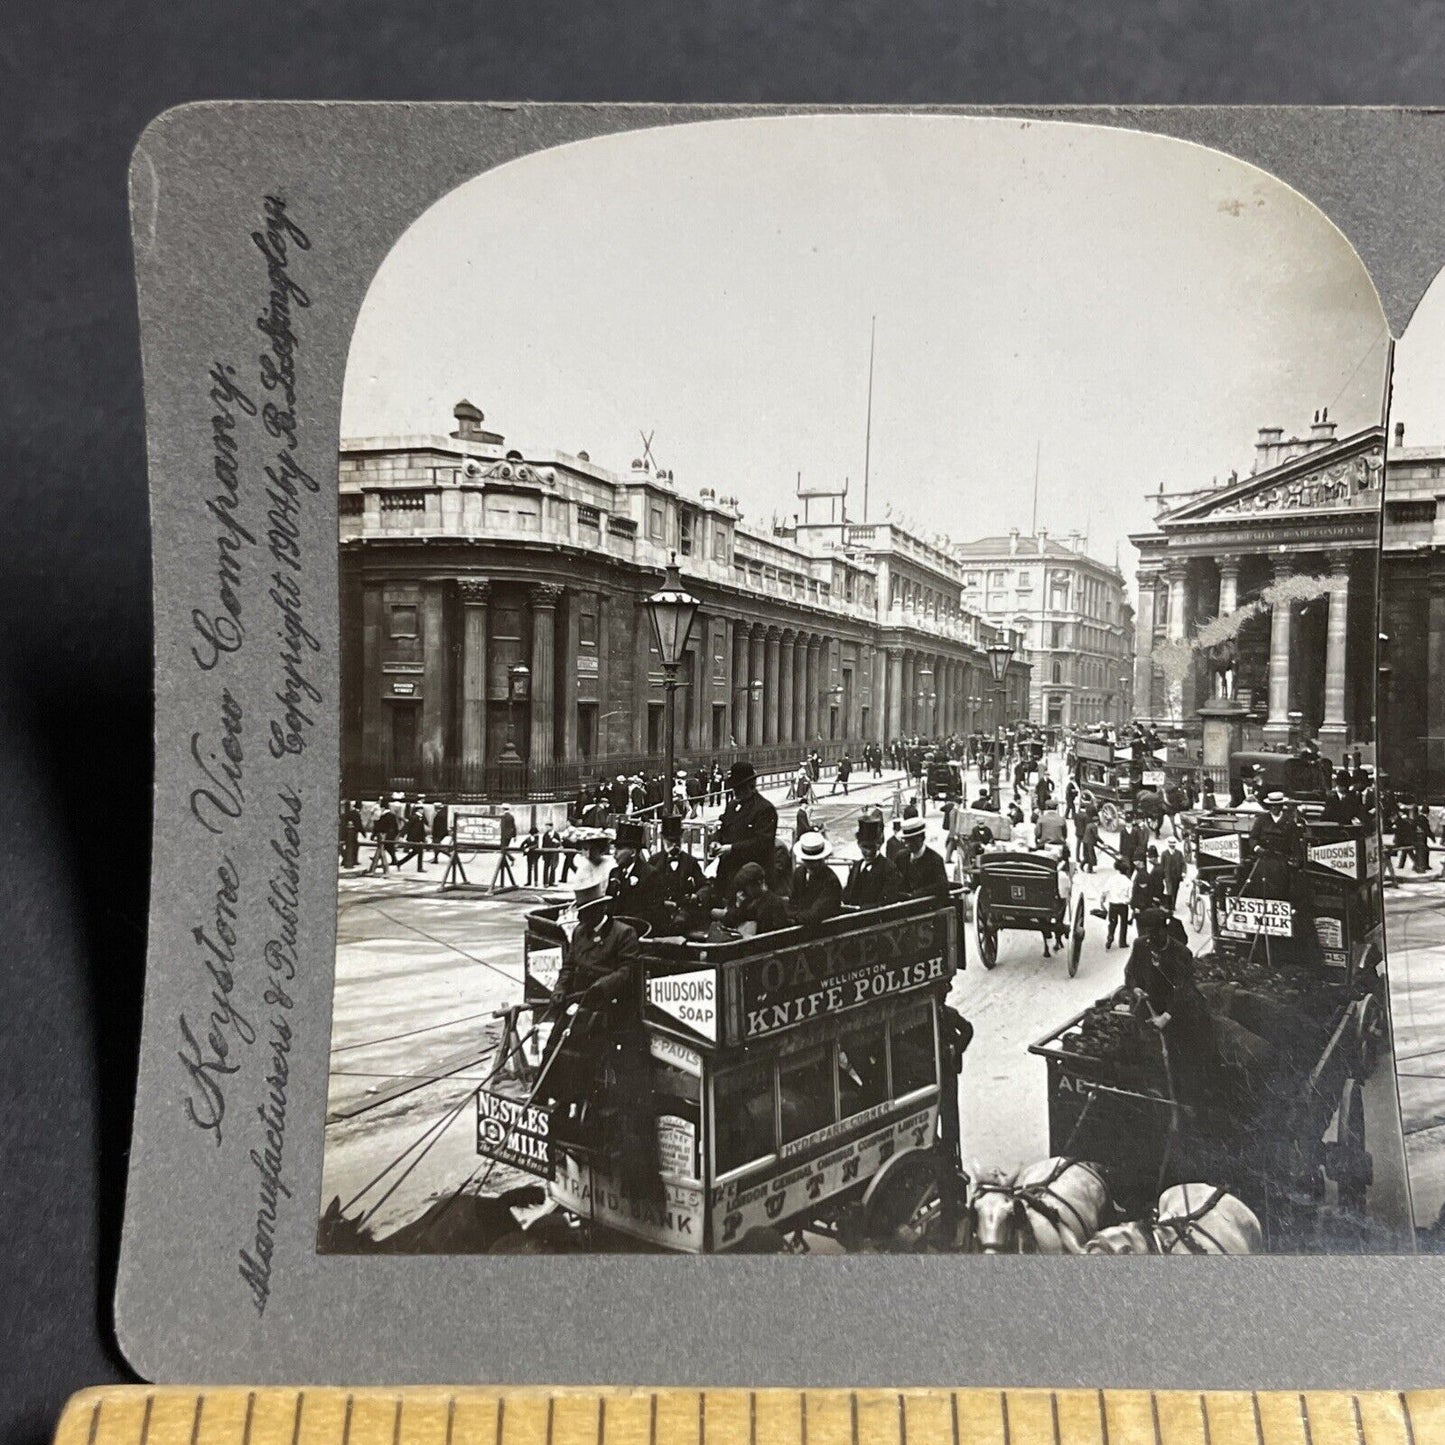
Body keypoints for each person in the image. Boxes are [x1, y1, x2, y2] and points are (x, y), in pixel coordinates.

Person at [547, 883, 661, 1202]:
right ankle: (558, 1110)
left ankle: (635, 1174)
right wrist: (560, 988)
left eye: (586, 912)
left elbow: (628, 971)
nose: (582, 918)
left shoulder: (623, 934)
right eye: (580, 913)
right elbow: (568, 967)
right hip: (584, 1010)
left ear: (600, 910)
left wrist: (603, 985)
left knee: (629, 1092)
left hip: (616, 1017)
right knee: (556, 1047)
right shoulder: (579, 935)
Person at [714, 760, 779, 895]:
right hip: (728, 874)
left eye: (739, 788)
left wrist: (731, 849)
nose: (736, 792)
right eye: (734, 788)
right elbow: (723, 827)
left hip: (751, 879)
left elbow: (762, 843)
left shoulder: (764, 809)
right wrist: (715, 841)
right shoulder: (732, 806)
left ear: (751, 786)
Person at [651, 813, 708, 933]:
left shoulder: (690, 861)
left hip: (684, 911)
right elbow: (646, 889)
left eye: (677, 841)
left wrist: (697, 896)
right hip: (660, 911)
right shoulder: (654, 861)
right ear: (663, 838)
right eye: (670, 841)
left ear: (682, 838)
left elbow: (705, 885)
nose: (674, 845)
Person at [608, 819, 664, 931]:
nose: (615, 853)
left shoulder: (650, 874)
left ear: (633, 852)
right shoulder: (615, 873)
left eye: (619, 849)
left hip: (639, 932)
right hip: (616, 932)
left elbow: (653, 912)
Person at [843, 814, 903, 908]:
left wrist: (860, 909)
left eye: (872, 847)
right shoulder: (856, 867)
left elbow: (886, 902)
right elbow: (847, 895)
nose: (869, 852)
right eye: (865, 847)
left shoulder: (889, 869)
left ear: (878, 845)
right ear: (858, 844)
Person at [720, 861, 792, 936]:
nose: (746, 890)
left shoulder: (774, 903)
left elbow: (778, 936)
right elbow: (727, 923)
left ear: (760, 882)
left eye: (748, 887)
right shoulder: (746, 901)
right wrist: (738, 906)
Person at [788, 833, 844, 927]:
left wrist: (792, 917)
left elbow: (816, 914)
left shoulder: (831, 881)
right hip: (801, 925)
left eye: (815, 861)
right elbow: (793, 902)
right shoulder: (799, 873)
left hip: (824, 930)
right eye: (807, 861)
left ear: (822, 859)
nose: (811, 865)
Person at [895, 814, 950, 900]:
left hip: (926, 906)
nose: (906, 844)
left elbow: (942, 886)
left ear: (921, 838)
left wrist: (915, 894)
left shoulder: (935, 859)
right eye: (905, 839)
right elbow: (895, 880)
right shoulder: (901, 857)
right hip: (904, 906)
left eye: (911, 839)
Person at [1102, 857, 1134, 950]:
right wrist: (1129, 901)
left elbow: (1105, 891)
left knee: (1112, 922)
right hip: (1123, 905)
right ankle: (1122, 942)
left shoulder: (1111, 879)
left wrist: (1102, 900)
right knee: (1123, 924)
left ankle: (1110, 936)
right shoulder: (1128, 882)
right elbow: (1130, 895)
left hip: (1113, 904)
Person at [400, 805, 429, 872]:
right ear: (418, 810)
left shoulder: (420, 817)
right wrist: (402, 835)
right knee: (419, 852)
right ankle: (419, 868)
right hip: (414, 838)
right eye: (422, 809)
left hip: (418, 838)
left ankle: (400, 863)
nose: (423, 811)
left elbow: (421, 829)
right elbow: (407, 826)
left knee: (415, 852)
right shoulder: (414, 817)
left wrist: (424, 837)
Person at [339, 799, 363, 869]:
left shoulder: (350, 812)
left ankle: (347, 860)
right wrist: (363, 833)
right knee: (353, 846)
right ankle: (350, 860)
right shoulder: (356, 813)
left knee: (351, 846)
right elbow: (359, 824)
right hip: (351, 833)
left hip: (348, 832)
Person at [541, 822, 562, 887]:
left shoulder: (556, 834)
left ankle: (551, 881)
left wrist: (557, 842)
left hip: (554, 853)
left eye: (548, 827)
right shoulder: (545, 835)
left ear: (551, 827)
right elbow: (543, 845)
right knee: (546, 867)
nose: (547, 828)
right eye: (546, 827)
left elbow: (560, 844)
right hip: (547, 853)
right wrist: (543, 854)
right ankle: (545, 882)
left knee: (553, 867)